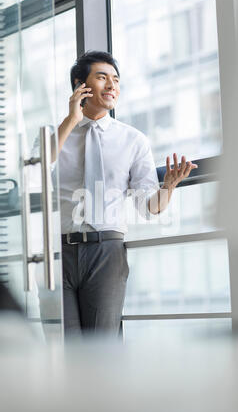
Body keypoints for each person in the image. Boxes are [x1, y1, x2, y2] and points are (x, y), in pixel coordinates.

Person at [51, 50, 197, 338]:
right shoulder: (55, 136)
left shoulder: (133, 140)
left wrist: (167, 187)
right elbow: (36, 172)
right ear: (81, 85)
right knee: (63, 348)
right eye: (102, 77)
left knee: (101, 348)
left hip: (106, 252)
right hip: (59, 253)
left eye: (115, 80)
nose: (112, 86)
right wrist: (71, 119)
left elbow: (148, 207)